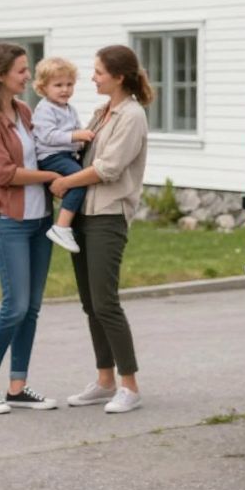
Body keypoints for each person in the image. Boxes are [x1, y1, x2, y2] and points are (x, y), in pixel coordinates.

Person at [47, 45, 151, 414]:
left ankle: (130, 385)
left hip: (108, 214)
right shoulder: (100, 112)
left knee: (106, 302)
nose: (92, 78)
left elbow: (108, 168)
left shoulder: (132, 116)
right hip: (83, 217)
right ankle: (105, 380)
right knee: (90, 304)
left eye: (98, 72)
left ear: (119, 77)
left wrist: (64, 184)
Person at [0, 42, 61, 415]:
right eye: (22, 70)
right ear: (1, 74)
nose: (28, 76)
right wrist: (52, 175)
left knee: (32, 308)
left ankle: (18, 386)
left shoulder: (23, 111)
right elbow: (4, 173)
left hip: (40, 221)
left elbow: (44, 146)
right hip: (9, 220)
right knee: (15, 305)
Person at [31, 56, 96, 254]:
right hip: (51, 157)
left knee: (78, 181)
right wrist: (76, 135)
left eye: (69, 84)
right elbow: (48, 136)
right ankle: (61, 227)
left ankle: (69, 223)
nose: (65, 89)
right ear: (43, 88)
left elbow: (75, 132)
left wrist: (81, 138)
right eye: (58, 85)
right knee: (79, 180)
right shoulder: (45, 109)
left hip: (65, 156)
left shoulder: (70, 109)